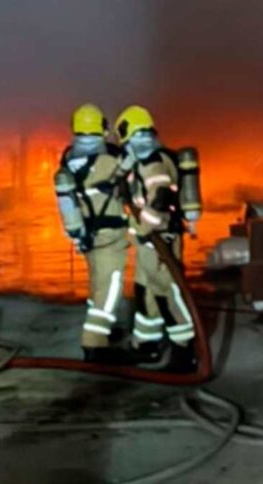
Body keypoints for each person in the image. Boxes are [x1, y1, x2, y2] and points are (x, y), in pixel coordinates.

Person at [115, 105, 196, 372]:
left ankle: (184, 352)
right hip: (148, 243)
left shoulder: (153, 163)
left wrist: (142, 230)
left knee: (167, 293)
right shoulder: (144, 161)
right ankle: (146, 344)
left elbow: (159, 200)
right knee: (145, 290)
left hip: (160, 240)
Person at [54, 104, 132, 363]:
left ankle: (103, 329)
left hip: (86, 233)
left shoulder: (68, 158)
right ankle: (95, 343)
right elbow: (131, 172)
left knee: (97, 283)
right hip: (110, 232)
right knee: (110, 287)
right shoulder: (110, 159)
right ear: (102, 127)